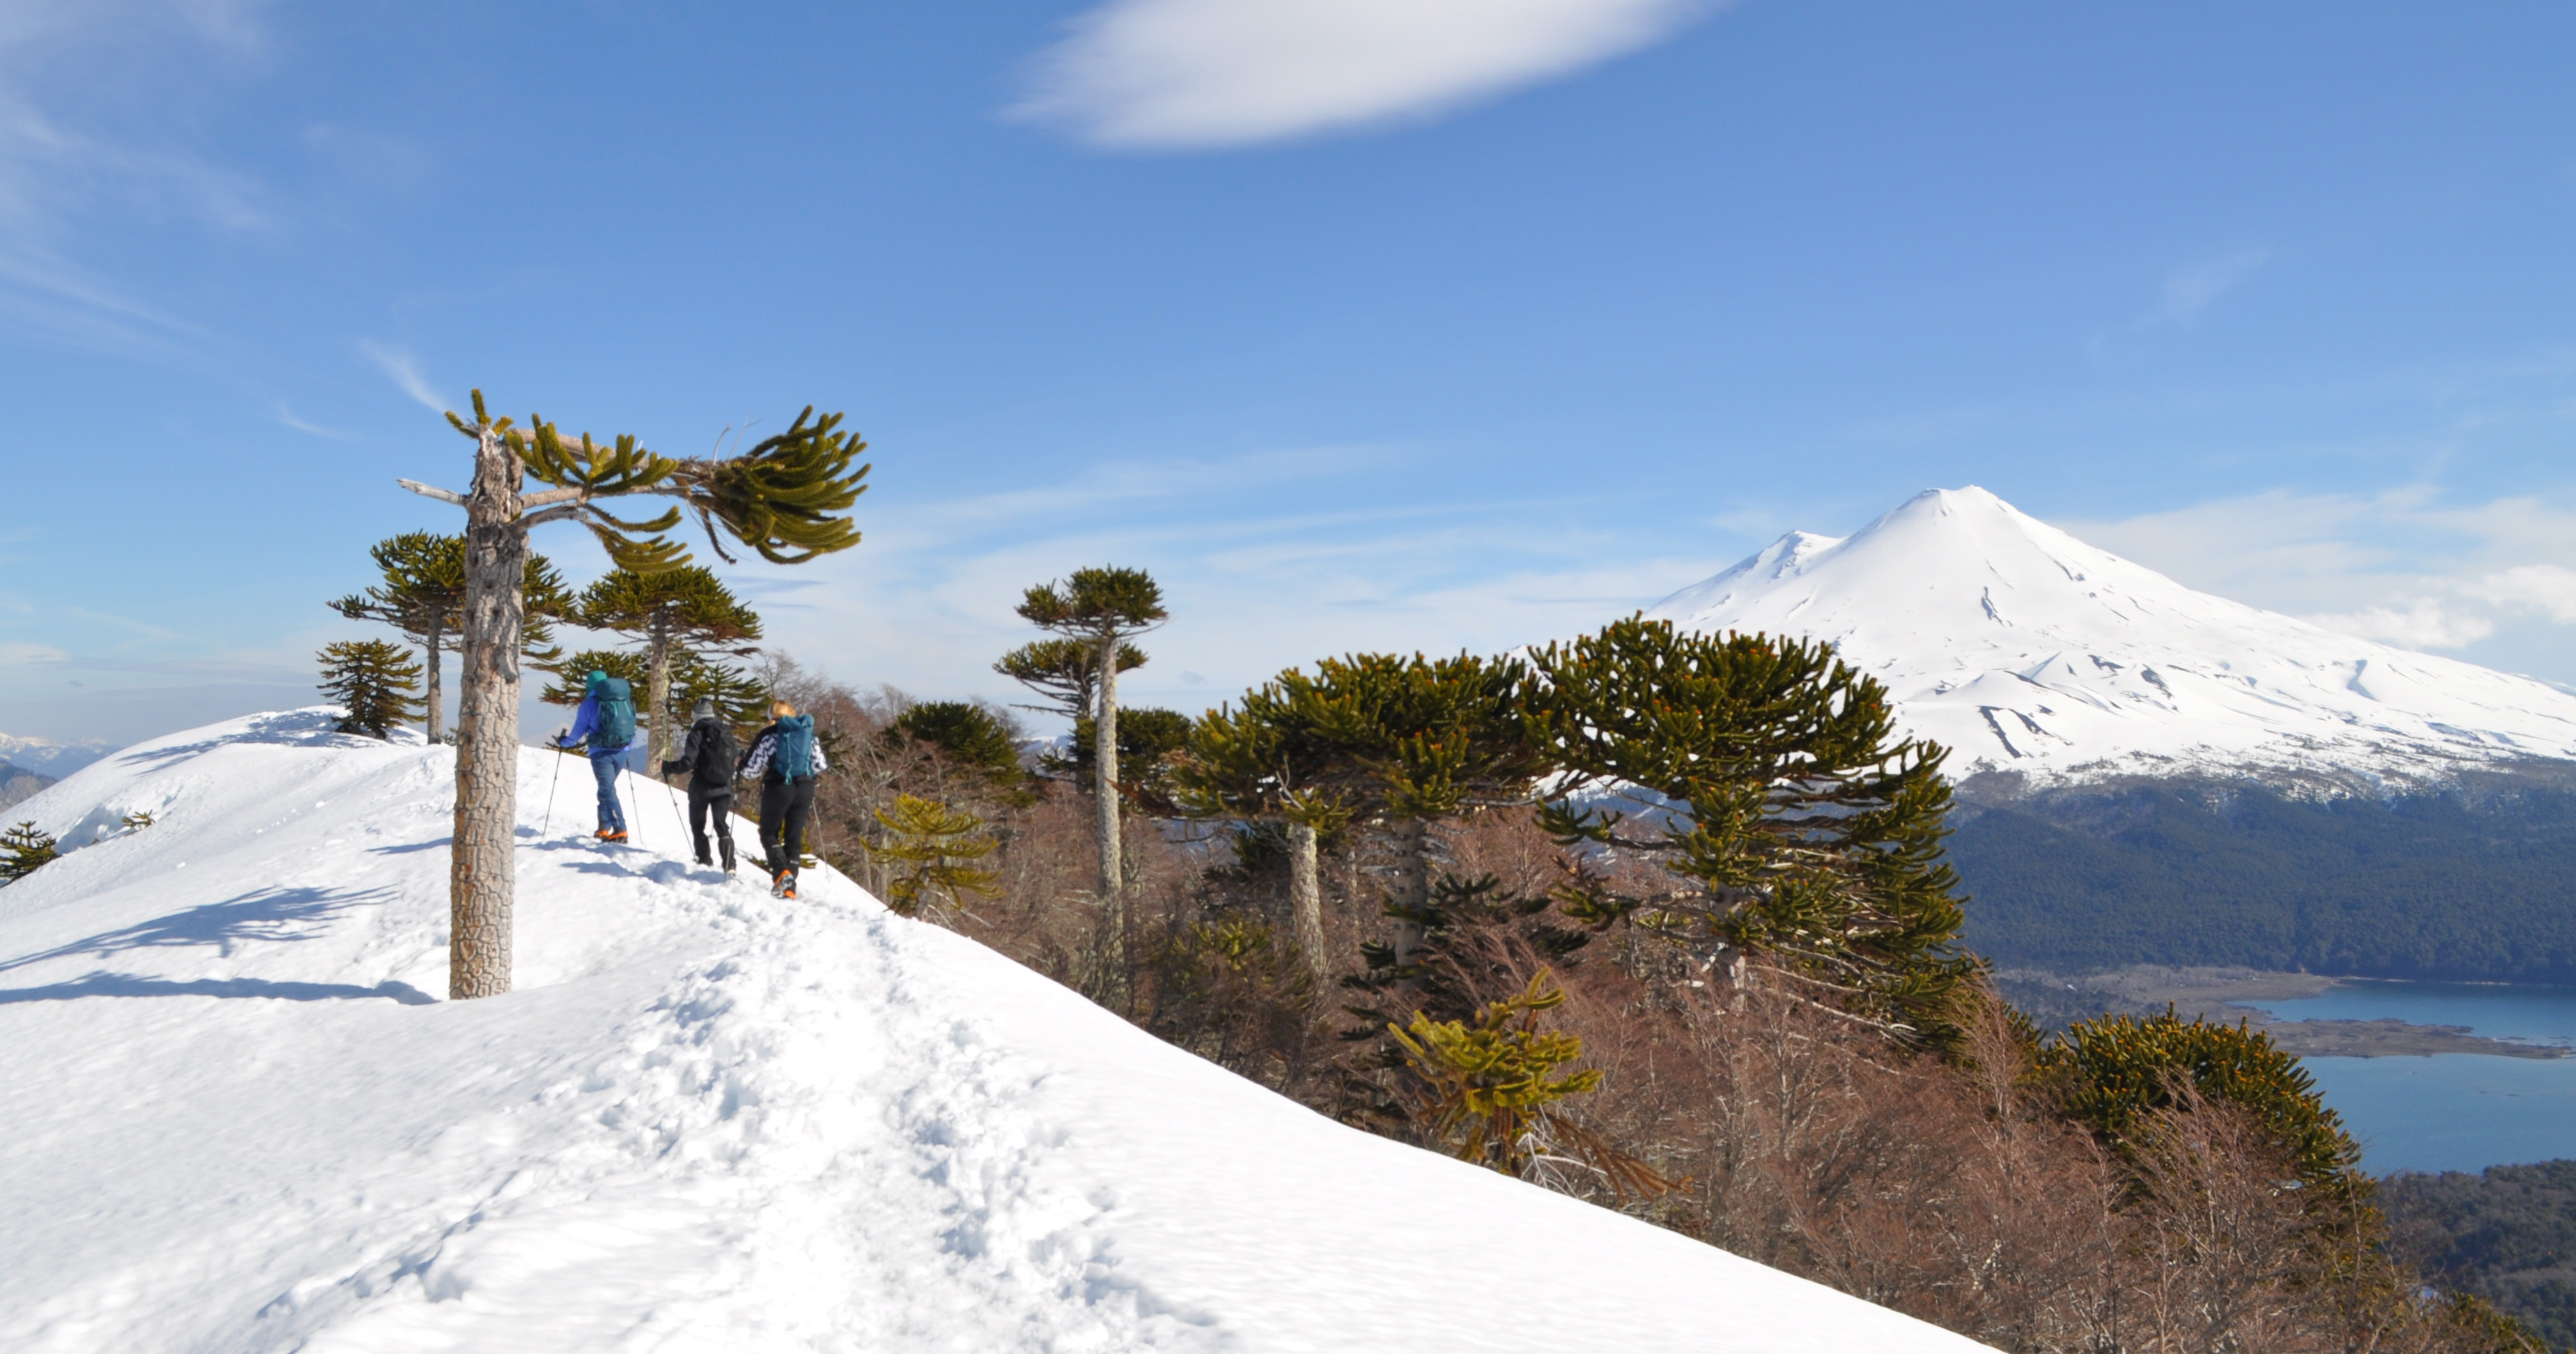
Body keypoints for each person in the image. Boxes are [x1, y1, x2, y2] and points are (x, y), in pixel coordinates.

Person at [738, 698, 826, 899]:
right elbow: (820, 764)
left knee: (769, 833)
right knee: (794, 838)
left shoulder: (768, 735)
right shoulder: (807, 733)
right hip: (805, 787)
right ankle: (789, 888)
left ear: (772, 716)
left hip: (779, 786)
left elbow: (752, 770)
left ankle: (781, 873)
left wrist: (739, 763)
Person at [660, 696, 739, 875]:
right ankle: (730, 865)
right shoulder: (725, 732)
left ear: (695, 716)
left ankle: (704, 862)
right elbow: (735, 755)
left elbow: (688, 763)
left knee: (698, 826)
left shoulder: (696, 734)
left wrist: (667, 766)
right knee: (722, 826)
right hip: (724, 787)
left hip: (701, 788)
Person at [555, 669, 636, 843]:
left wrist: (564, 742)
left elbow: (577, 733)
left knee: (607, 790)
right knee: (606, 789)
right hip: (623, 750)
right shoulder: (622, 700)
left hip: (601, 753)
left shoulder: (588, 705)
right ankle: (604, 828)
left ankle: (620, 829)